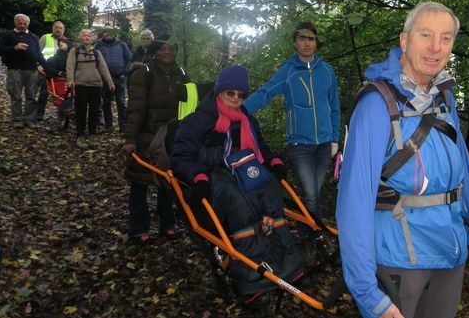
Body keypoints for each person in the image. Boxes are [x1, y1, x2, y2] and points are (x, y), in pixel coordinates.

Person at [336, 2, 469, 318]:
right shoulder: (376, 104)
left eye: (446, 37)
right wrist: (367, 292)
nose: (435, 47)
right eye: (425, 34)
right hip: (400, 262)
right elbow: (353, 202)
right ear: (404, 40)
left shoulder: (444, 98)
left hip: (450, 255)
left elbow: (463, 172)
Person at [170, 65, 303, 297]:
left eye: (241, 95)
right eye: (231, 93)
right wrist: (198, 177)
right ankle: (252, 279)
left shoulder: (247, 121)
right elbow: (180, 156)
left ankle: (286, 264)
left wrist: (273, 162)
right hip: (213, 174)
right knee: (241, 205)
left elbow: (261, 149)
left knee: (270, 193)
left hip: (244, 169)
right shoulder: (199, 120)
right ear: (220, 91)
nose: (235, 98)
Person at [243, 22, 340, 234]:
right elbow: (266, 93)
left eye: (311, 39)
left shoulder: (326, 70)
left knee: (314, 192)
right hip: (299, 145)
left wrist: (334, 138)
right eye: (302, 38)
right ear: (295, 42)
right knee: (311, 193)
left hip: (324, 144)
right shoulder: (288, 71)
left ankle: (308, 232)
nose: (307, 43)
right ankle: (314, 235)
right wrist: (241, 110)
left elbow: (334, 107)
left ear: (316, 43)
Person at [122, 39, 189, 243]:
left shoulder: (182, 74)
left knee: (167, 182)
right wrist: (130, 138)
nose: (167, 52)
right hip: (146, 137)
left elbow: (189, 107)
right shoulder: (143, 74)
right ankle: (138, 229)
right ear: (154, 52)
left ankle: (167, 225)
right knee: (140, 183)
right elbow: (136, 108)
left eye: (172, 48)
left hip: (171, 138)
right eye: (162, 49)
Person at [66, 29, 115, 148]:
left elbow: (103, 68)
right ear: (80, 38)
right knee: (80, 111)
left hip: (95, 86)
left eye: (89, 36)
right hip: (80, 85)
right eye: (84, 35)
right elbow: (70, 66)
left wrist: (110, 82)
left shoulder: (97, 53)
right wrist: (70, 80)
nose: (87, 37)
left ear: (93, 38)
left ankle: (92, 134)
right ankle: (80, 135)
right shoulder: (75, 50)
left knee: (94, 112)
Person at [0, 14, 47, 128]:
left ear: (28, 24)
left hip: (32, 70)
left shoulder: (33, 37)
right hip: (15, 69)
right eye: (20, 23)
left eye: (25, 23)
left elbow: (39, 55)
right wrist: (14, 48)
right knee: (16, 95)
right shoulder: (8, 35)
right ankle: (17, 119)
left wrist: (47, 67)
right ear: (15, 23)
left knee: (31, 95)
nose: (22, 25)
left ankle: (29, 119)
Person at [96, 30, 132, 133]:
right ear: (102, 34)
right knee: (106, 102)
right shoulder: (98, 46)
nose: (107, 34)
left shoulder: (122, 45)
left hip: (119, 78)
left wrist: (125, 73)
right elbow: (94, 60)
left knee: (120, 102)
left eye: (110, 32)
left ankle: (123, 125)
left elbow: (129, 59)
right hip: (104, 79)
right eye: (105, 32)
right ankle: (109, 126)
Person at [37, 21, 68, 120]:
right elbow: (38, 53)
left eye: (60, 28)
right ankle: (39, 114)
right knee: (44, 93)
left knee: (62, 95)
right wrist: (39, 66)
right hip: (46, 71)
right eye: (56, 27)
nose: (58, 29)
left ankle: (62, 116)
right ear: (52, 28)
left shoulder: (67, 41)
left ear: (63, 30)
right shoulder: (45, 38)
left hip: (60, 74)